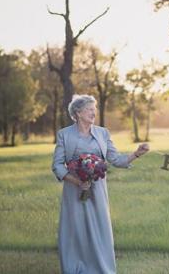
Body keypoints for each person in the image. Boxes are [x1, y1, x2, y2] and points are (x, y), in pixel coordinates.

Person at [52, 94, 149, 274]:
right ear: (78, 112)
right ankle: (75, 267)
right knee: (76, 229)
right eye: (89, 109)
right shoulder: (64, 134)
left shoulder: (103, 133)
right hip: (74, 190)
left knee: (100, 227)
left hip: (97, 189)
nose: (93, 112)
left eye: (94, 109)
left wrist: (137, 154)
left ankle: (100, 268)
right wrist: (77, 181)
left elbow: (116, 160)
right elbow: (57, 165)